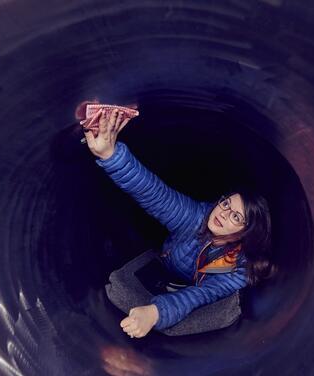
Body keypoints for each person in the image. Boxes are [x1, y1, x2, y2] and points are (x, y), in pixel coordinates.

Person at [83, 106, 274, 338]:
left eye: (236, 217)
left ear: (246, 231)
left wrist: (156, 312)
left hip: (190, 286)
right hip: (165, 263)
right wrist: (110, 155)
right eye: (226, 204)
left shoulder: (239, 269)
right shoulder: (196, 219)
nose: (224, 213)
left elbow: (201, 295)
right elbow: (154, 193)